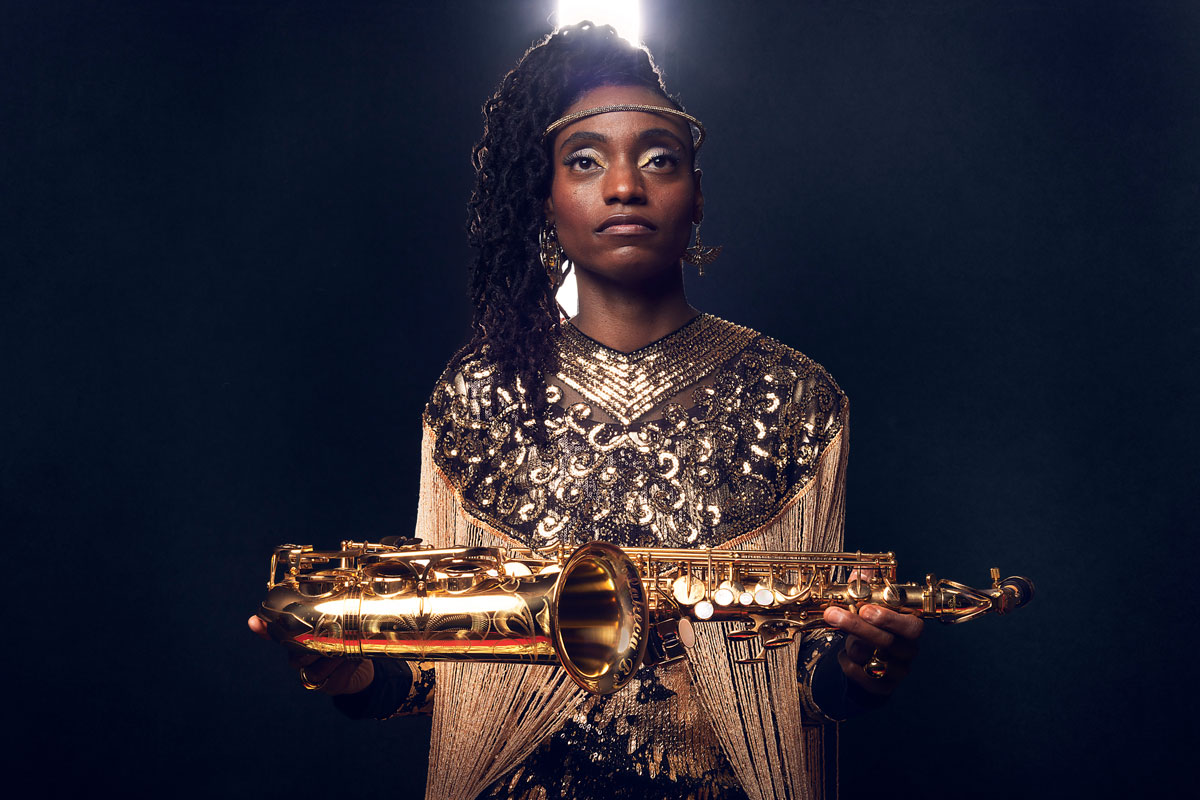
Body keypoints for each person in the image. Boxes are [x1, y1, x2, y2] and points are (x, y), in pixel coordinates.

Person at [249, 22, 923, 800]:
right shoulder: (475, 396)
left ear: (697, 194)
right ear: (547, 200)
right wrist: (352, 670)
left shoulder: (798, 395)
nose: (625, 186)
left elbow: (799, 692)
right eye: (585, 161)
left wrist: (863, 669)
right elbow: (441, 678)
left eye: (659, 159)